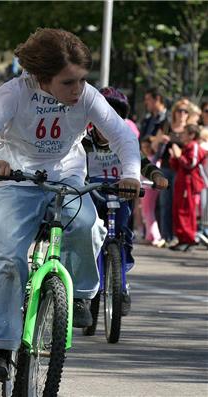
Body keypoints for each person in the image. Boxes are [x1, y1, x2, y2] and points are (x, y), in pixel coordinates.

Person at [0, 28, 142, 382]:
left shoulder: (87, 95)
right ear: (42, 78)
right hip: (19, 177)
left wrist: (132, 174)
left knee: (88, 227)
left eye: (81, 80)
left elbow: (121, 135)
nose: (78, 89)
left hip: (67, 174)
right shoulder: (13, 93)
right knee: (7, 258)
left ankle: (80, 295)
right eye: (68, 82)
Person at [83, 87, 168, 314]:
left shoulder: (124, 141)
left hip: (120, 196)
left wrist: (156, 176)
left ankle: (122, 281)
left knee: (123, 230)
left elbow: (142, 162)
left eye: (114, 117)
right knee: (86, 231)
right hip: (93, 194)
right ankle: (82, 285)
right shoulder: (83, 141)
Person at [153, 98, 189, 246]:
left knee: (179, 203)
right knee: (164, 203)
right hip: (166, 168)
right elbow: (154, 147)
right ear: (174, 112)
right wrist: (161, 139)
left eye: (185, 111)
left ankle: (177, 235)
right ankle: (166, 236)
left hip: (181, 170)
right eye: (180, 111)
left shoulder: (190, 129)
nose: (182, 114)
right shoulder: (166, 126)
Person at [169, 124, 206, 251]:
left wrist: (179, 156)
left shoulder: (194, 146)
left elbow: (191, 163)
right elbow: (176, 167)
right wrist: (174, 157)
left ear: (191, 135)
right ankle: (181, 238)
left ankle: (189, 239)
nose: (181, 135)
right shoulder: (186, 147)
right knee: (178, 210)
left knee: (186, 211)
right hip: (181, 182)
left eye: (184, 133)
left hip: (188, 184)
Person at [140, 137, 165, 247]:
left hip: (150, 188)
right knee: (146, 212)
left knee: (148, 212)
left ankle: (155, 236)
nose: (145, 149)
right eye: (143, 147)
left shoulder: (153, 160)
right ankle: (150, 235)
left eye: (147, 147)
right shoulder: (148, 159)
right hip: (145, 187)